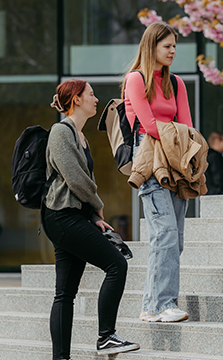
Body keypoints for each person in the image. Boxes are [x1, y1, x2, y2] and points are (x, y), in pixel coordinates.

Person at [44, 79, 139, 358]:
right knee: (116, 264)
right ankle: (106, 337)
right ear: (76, 99)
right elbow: (76, 179)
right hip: (61, 217)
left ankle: (61, 358)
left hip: (73, 216)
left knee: (65, 293)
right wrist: (98, 205)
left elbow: (81, 180)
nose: (96, 99)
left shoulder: (80, 135)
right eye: (91, 94)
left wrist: (93, 216)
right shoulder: (60, 132)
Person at [123, 22, 193, 323]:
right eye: (167, 46)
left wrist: (182, 141)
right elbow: (149, 126)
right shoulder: (136, 80)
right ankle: (164, 303)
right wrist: (177, 133)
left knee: (173, 238)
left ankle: (152, 306)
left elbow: (188, 127)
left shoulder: (176, 83)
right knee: (163, 233)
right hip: (150, 158)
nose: (173, 51)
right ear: (152, 47)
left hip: (176, 160)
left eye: (175, 46)